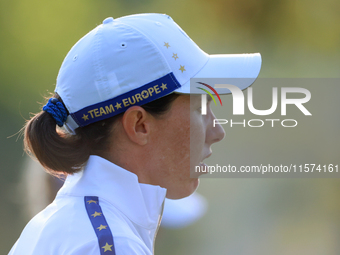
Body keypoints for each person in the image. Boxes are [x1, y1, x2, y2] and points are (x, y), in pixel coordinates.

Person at [9, 13, 261, 255]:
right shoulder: (110, 243)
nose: (217, 131)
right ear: (140, 124)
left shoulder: (68, 225)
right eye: (200, 108)